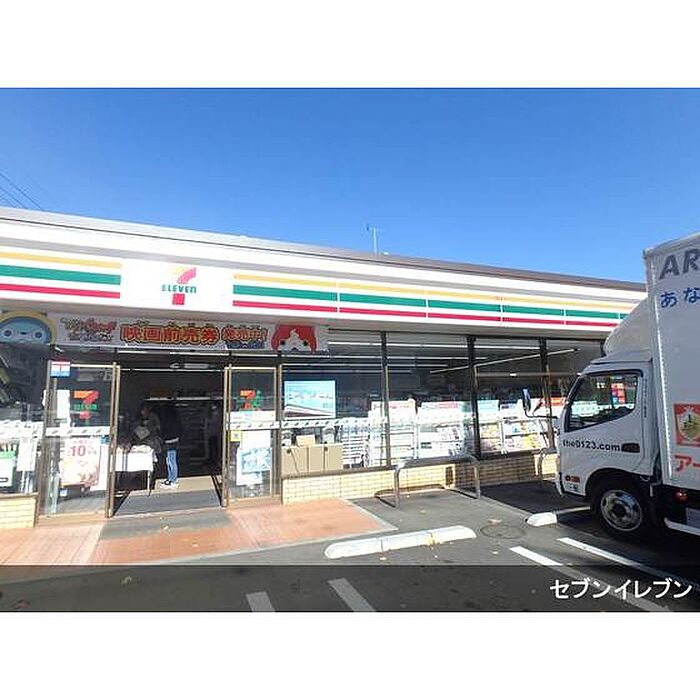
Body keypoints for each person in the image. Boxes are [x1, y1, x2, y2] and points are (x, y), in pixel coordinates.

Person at [159, 400, 183, 488]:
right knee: (170, 460)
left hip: (169, 440)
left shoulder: (166, 418)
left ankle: (173, 480)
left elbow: (164, 429)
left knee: (170, 460)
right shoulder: (176, 417)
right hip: (175, 439)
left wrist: (162, 438)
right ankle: (170, 479)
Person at [203, 401, 222, 466]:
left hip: (214, 433)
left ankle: (213, 459)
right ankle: (213, 459)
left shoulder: (215, 413)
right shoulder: (215, 413)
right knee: (213, 447)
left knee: (213, 447)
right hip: (213, 433)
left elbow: (209, 423)